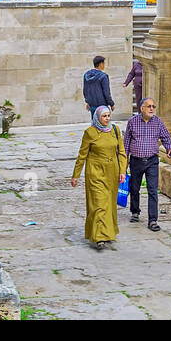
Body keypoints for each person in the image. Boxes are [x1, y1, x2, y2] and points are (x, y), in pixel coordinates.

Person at [71, 105, 126, 250]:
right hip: (95, 172)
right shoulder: (90, 132)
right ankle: (99, 237)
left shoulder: (115, 130)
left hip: (112, 172)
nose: (107, 119)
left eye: (108, 116)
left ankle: (108, 233)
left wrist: (122, 171)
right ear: (97, 117)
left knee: (109, 204)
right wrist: (75, 175)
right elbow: (82, 155)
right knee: (99, 203)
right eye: (104, 116)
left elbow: (121, 152)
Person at [124, 97, 171, 231]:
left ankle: (153, 220)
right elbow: (126, 142)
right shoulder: (132, 122)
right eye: (149, 106)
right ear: (142, 108)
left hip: (152, 160)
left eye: (153, 106)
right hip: (136, 161)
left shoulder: (158, 122)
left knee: (152, 190)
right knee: (134, 188)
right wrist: (124, 159)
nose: (152, 109)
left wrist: (169, 148)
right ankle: (135, 212)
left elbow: (166, 137)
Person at [83, 55, 114, 120]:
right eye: (104, 63)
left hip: (92, 105)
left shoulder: (86, 75)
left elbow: (85, 90)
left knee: (94, 125)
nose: (104, 65)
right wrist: (111, 104)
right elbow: (106, 93)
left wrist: (87, 102)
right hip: (102, 106)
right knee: (104, 126)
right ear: (101, 64)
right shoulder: (103, 76)